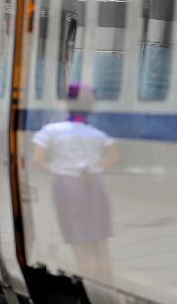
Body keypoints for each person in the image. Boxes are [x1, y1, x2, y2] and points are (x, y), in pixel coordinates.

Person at [32, 83, 117, 278]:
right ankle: (106, 284)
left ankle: (89, 285)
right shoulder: (97, 134)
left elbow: (38, 160)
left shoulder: (51, 131)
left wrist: (57, 169)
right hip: (94, 185)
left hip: (67, 186)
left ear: (67, 105)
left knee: (80, 245)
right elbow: (113, 157)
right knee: (101, 243)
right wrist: (94, 169)